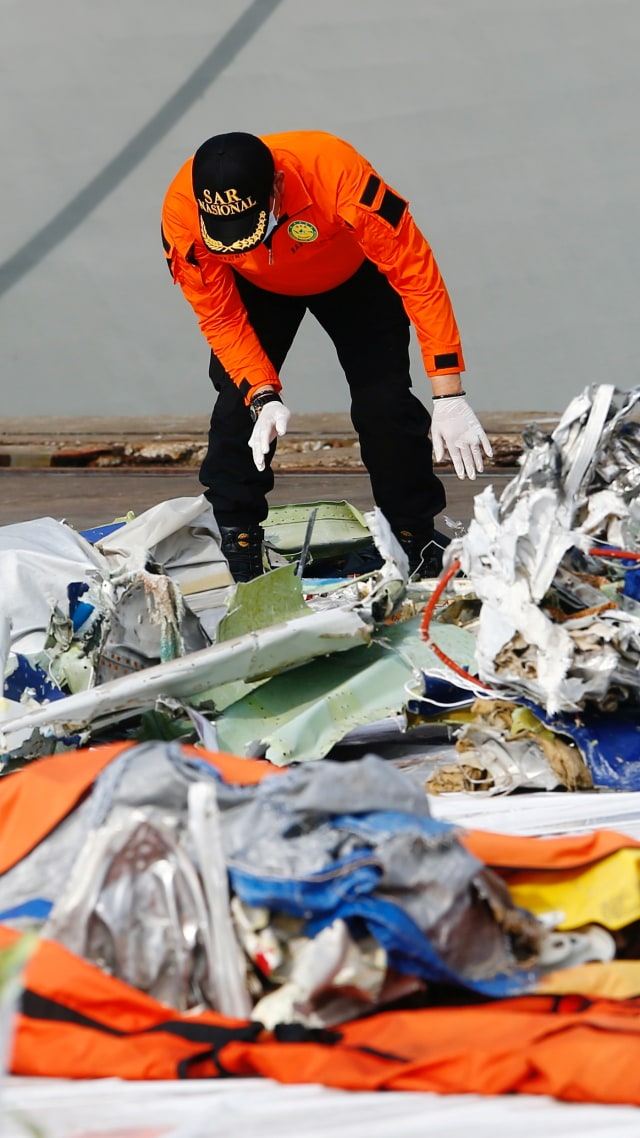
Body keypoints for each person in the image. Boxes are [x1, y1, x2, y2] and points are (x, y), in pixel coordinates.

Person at [161, 130, 492, 581]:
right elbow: (219, 318)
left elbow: (416, 275)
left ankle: (412, 537)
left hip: (352, 273)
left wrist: (449, 393)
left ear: (276, 187)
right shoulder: (182, 214)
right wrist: (262, 394)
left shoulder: (336, 176)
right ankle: (237, 539)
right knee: (238, 410)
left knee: (385, 402)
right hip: (257, 286)